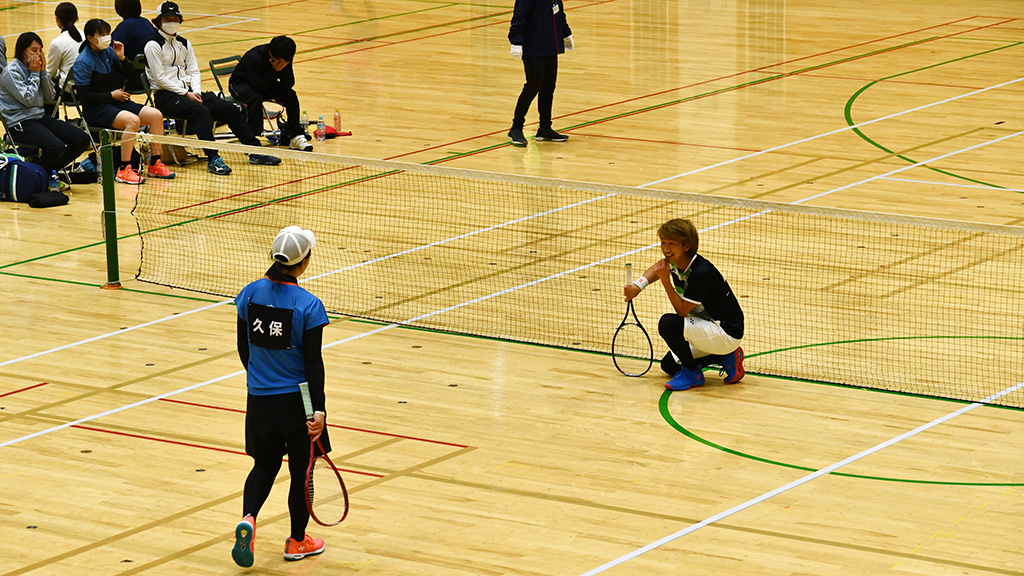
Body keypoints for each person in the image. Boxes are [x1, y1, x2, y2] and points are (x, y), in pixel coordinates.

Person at [232, 225, 330, 567]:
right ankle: (298, 541)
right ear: (303, 264)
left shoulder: (249, 294)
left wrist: (260, 378)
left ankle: (248, 518)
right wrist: (318, 409)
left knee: (264, 465)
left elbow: (244, 348)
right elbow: (312, 363)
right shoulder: (309, 306)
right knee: (303, 470)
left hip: (258, 399)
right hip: (298, 402)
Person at [144, 1, 280, 176]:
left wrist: (197, 92)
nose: (172, 21)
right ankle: (213, 159)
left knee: (229, 109)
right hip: (167, 97)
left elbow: (193, 70)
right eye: (167, 18)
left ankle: (255, 151)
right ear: (159, 21)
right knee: (201, 112)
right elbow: (160, 79)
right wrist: (186, 93)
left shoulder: (184, 43)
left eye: (175, 18)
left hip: (190, 93)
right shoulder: (153, 45)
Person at [623, 219, 745, 391]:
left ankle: (693, 374)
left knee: (668, 323)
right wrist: (638, 285)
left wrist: (666, 281)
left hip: (725, 331)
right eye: (663, 243)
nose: (665, 249)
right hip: (707, 327)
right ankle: (726, 357)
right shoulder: (676, 261)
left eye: (671, 244)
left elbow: (681, 311)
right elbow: (658, 267)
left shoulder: (701, 273)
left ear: (686, 246)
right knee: (669, 366)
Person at [74, 18, 175, 184]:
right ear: (90, 38)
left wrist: (123, 59)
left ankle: (155, 163)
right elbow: (84, 97)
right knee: (133, 121)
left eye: (108, 33)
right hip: (97, 110)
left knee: (156, 115)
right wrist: (110, 95)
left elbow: (133, 79)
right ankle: (124, 169)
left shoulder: (110, 52)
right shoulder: (83, 62)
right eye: (102, 34)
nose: (107, 37)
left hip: (117, 104)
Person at [0, 32, 92, 174]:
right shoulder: (11, 72)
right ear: (22, 51)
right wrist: (35, 73)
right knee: (56, 147)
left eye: (40, 50)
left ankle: (43, 170)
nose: (38, 54)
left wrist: (43, 72)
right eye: (34, 50)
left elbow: (51, 97)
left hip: (40, 118)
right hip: (20, 123)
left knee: (82, 139)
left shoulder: (38, 69)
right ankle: (42, 174)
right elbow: (28, 99)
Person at [506, 0, 573, 147]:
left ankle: (545, 127)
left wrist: (566, 33)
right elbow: (519, 16)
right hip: (533, 45)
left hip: (550, 44)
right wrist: (516, 42)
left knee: (548, 87)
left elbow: (558, 12)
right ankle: (516, 127)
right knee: (533, 85)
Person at [229, 36, 312, 152]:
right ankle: (251, 140)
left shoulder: (285, 56)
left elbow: (289, 84)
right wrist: (274, 70)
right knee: (255, 97)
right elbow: (258, 87)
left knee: (290, 95)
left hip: (264, 82)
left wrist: (282, 69)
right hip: (241, 84)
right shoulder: (254, 57)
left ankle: (295, 136)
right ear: (270, 53)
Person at [111, 0, 156, 91]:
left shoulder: (125, 27)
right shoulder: (146, 22)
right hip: (151, 76)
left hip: (132, 79)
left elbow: (110, 49)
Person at [46, 2, 82, 91]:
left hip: (71, 91)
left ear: (57, 19)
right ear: (77, 18)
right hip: (89, 87)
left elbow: (50, 73)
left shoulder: (57, 43)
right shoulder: (85, 35)